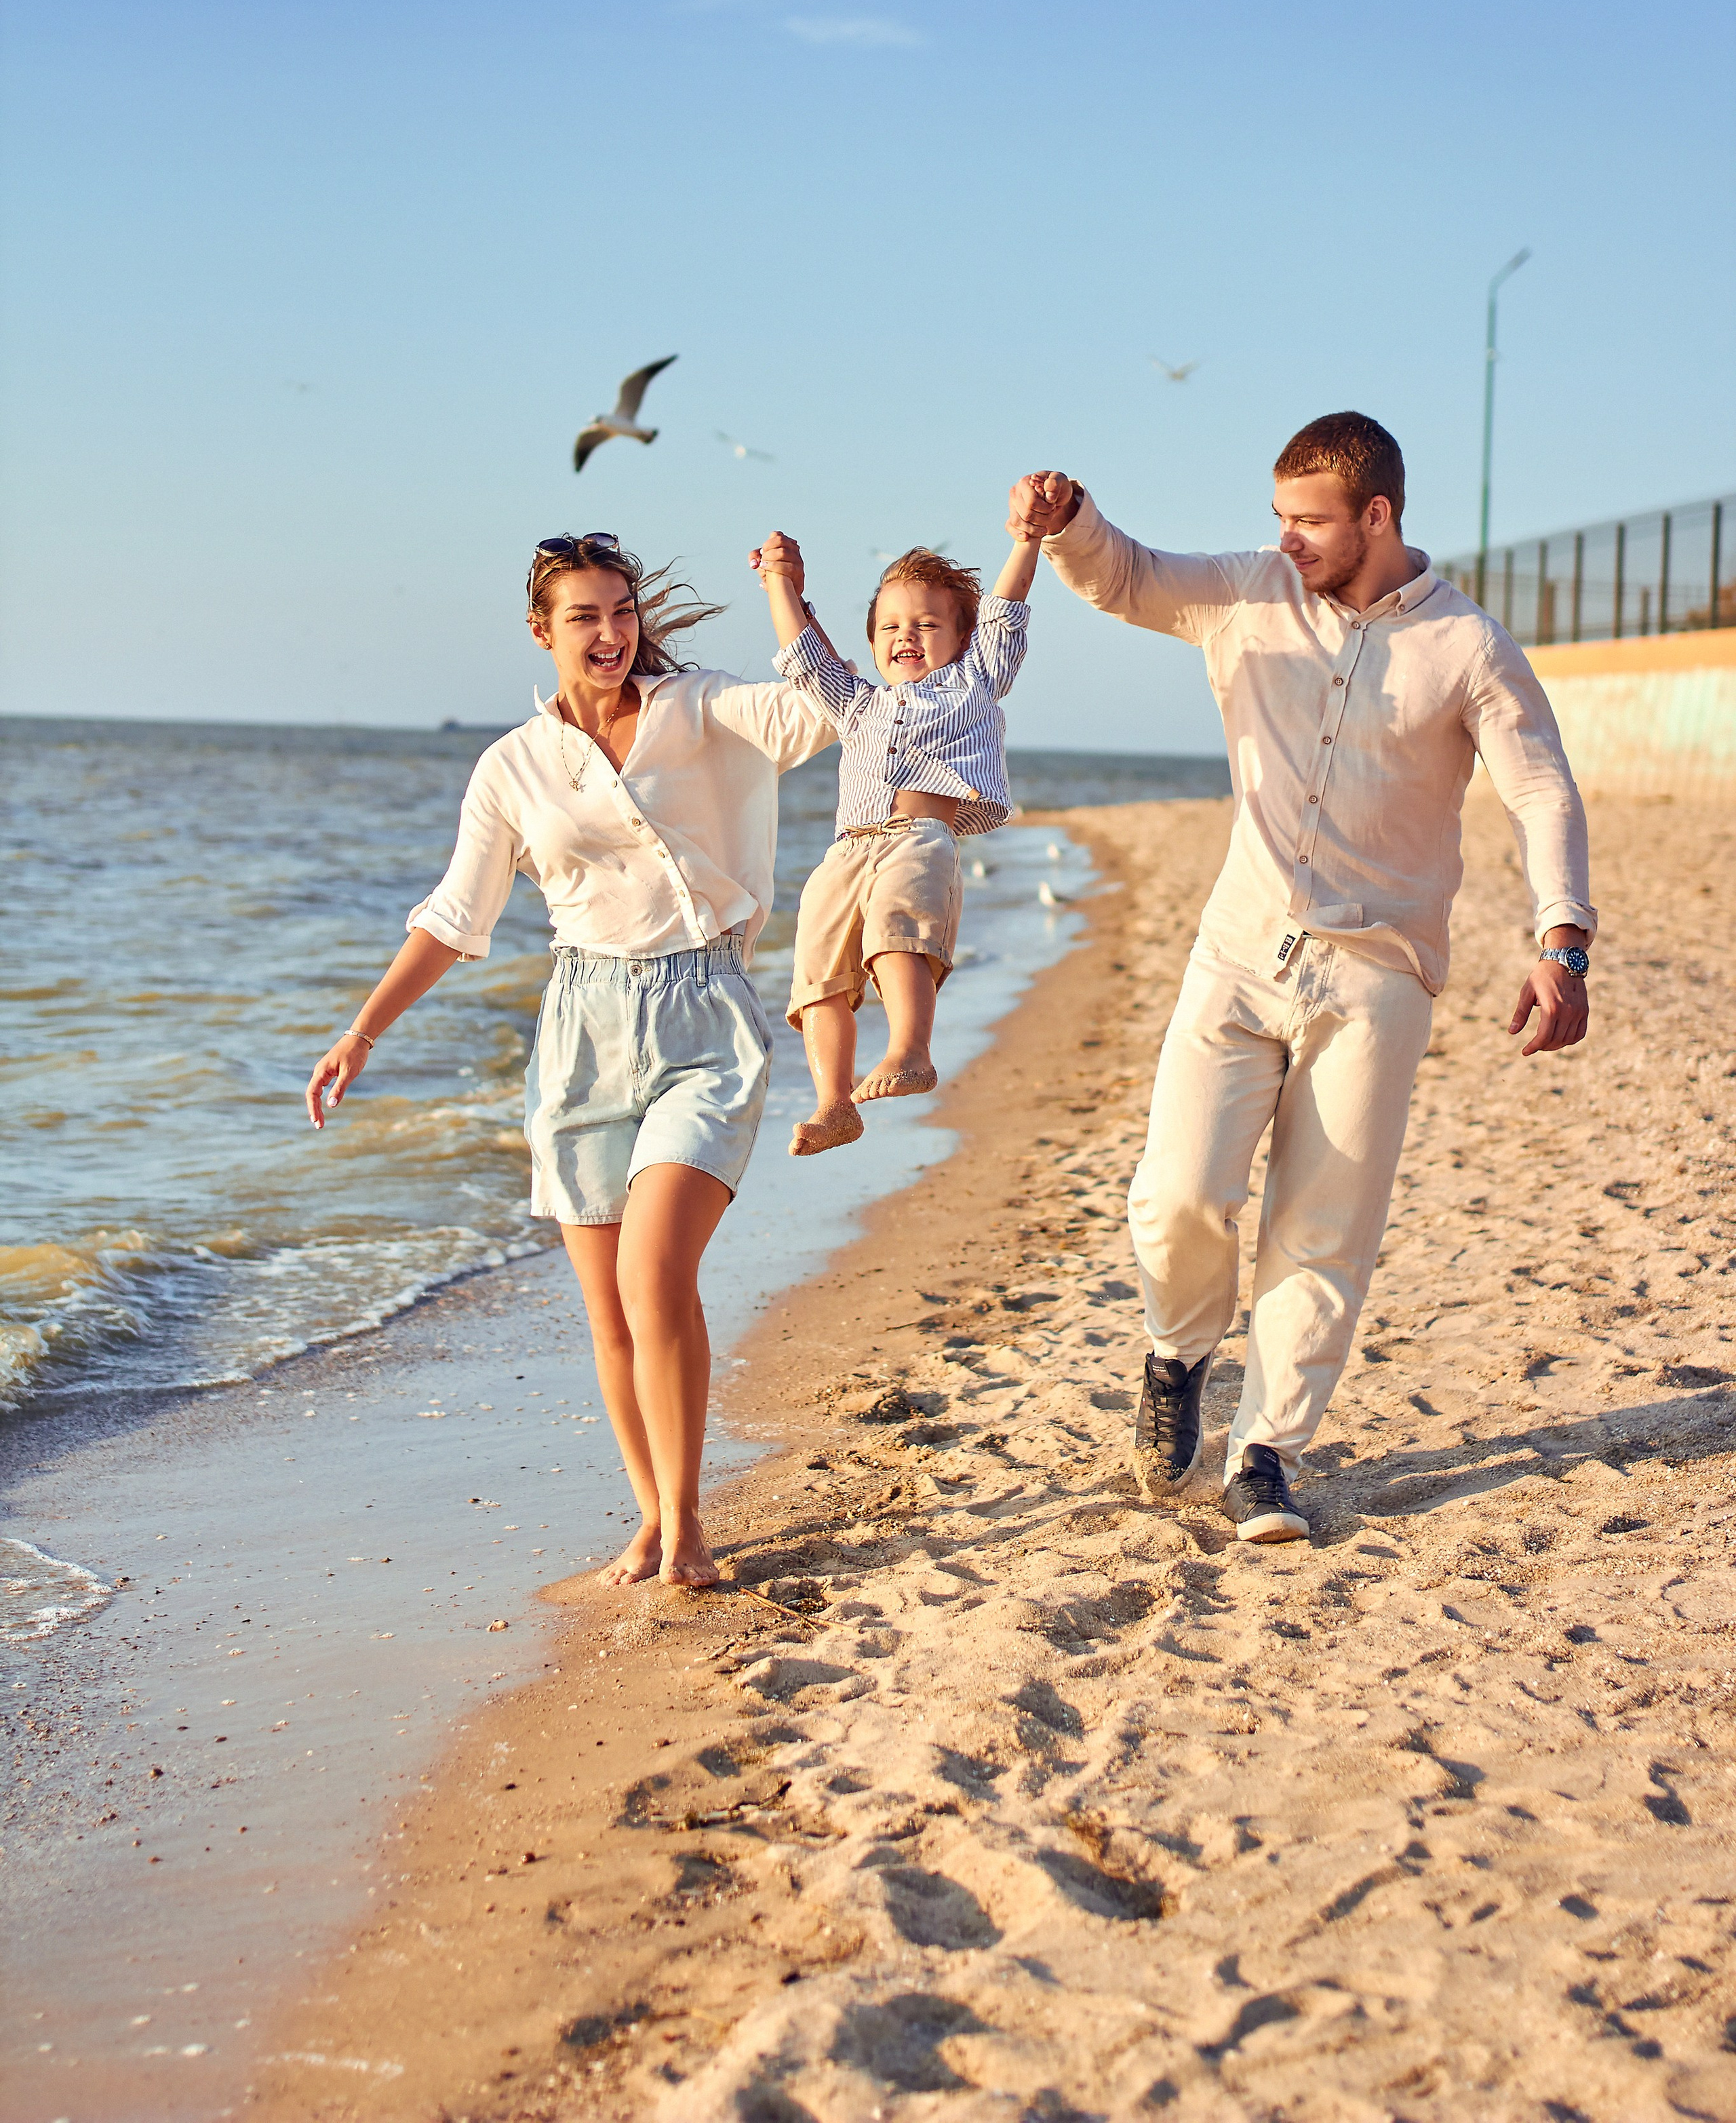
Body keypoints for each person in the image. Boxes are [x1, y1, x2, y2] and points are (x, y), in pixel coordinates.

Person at [1009, 414, 1596, 1545]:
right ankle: (1179, 1353)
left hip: (1378, 974)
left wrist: (1561, 938)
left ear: (1378, 515)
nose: (1287, 541)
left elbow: (1542, 792)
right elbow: (1127, 576)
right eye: (1277, 517)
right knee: (1176, 1193)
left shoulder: (1468, 646)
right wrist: (1070, 520)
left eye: (1310, 521)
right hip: (1240, 946)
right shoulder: (1246, 595)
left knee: (1324, 1229)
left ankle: (1263, 1454)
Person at [304, 533, 834, 1589]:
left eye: (622, 611)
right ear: (541, 631)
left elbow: (823, 710)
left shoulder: (705, 707)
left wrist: (785, 594)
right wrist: (363, 1031)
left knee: (656, 1273)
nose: (610, 633)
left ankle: (687, 1524)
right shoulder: (512, 766)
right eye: (584, 616)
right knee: (610, 1312)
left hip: (705, 1014)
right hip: (580, 1033)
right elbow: (457, 920)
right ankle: (649, 1515)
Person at [750, 530, 1039, 1155]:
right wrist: (780, 582)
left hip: (917, 841)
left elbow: (1006, 610)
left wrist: (1028, 537)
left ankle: (911, 1048)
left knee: (897, 925)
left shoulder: (975, 681)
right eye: (890, 628)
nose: (905, 636)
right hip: (847, 850)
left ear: (963, 639)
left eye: (926, 624)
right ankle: (834, 1103)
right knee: (818, 970)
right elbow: (806, 655)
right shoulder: (857, 705)